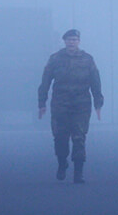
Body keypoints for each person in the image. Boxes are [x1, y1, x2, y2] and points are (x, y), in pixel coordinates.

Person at [37, 29, 103, 184]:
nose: (71, 42)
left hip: (81, 104)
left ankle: (78, 172)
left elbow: (95, 82)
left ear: (78, 41)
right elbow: (45, 81)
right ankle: (62, 163)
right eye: (69, 40)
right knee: (60, 137)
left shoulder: (87, 60)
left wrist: (98, 103)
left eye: (74, 39)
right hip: (60, 104)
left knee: (79, 137)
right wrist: (42, 102)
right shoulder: (55, 59)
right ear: (64, 41)